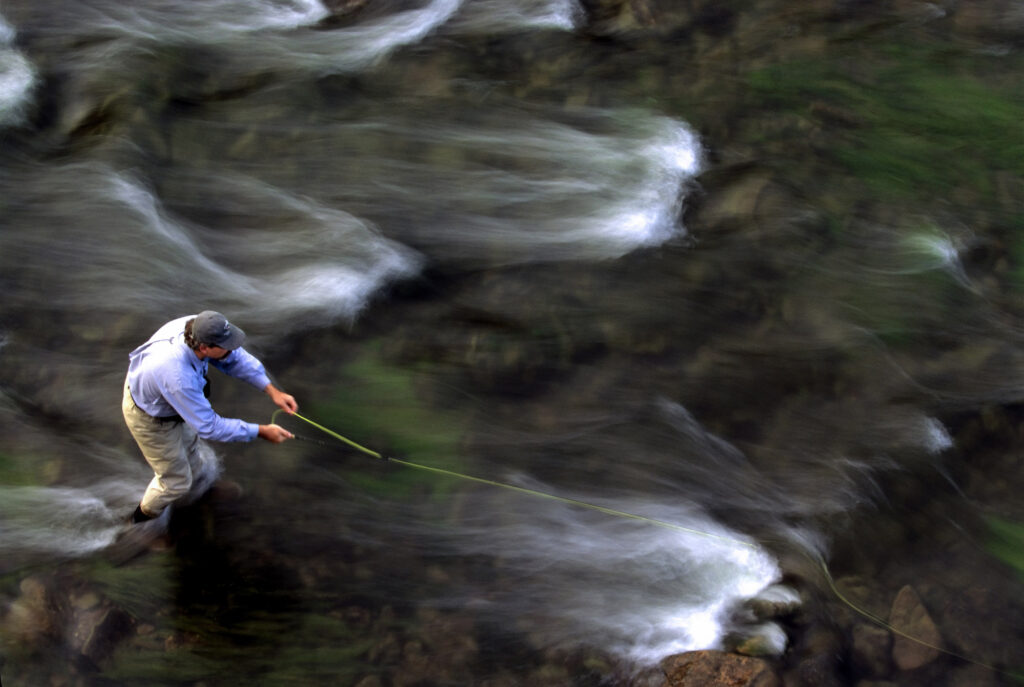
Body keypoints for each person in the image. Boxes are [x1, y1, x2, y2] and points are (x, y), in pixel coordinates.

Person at [122, 310, 297, 524]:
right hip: (150, 419)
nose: (232, 347)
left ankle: (201, 493)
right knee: (175, 481)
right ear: (204, 347)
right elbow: (210, 427)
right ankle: (140, 522)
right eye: (226, 344)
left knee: (192, 452)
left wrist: (273, 391)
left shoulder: (198, 326)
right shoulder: (178, 376)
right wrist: (260, 432)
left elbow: (235, 358)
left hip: (171, 402)